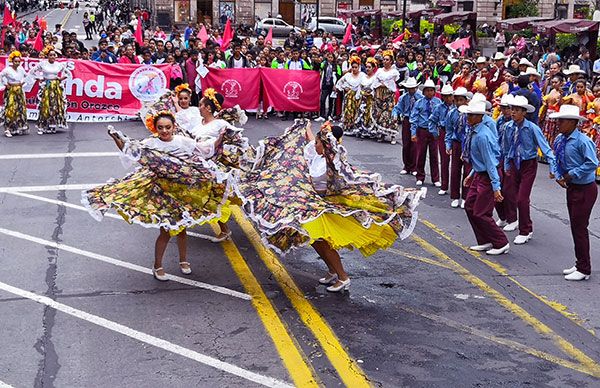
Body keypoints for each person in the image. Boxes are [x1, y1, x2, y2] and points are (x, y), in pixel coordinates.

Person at [234, 120, 424, 292]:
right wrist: (306, 126)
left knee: (322, 242)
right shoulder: (316, 154)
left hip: (323, 207)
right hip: (310, 204)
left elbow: (344, 182)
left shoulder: (333, 164)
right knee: (316, 241)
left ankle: (343, 277)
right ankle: (333, 272)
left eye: (317, 142)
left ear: (325, 145)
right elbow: (309, 140)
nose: (313, 145)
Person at [83, 111, 231, 280]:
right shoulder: (150, 143)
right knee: (166, 230)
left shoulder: (184, 141)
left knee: (183, 228)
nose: (165, 131)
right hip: (162, 193)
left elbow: (206, 150)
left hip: (182, 191)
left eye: (168, 127)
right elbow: (132, 151)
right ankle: (157, 265)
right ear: (156, 128)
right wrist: (116, 138)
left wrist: (220, 138)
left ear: (174, 127)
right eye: (160, 128)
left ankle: (183, 261)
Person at [550, 105, 599, 281]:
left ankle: (584, 268)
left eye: (561, 121)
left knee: (579, 227)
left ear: (572, 122)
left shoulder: (582, 141)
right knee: (575, 226)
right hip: (573, 187)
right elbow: (555, 157)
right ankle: (580, 263)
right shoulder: (560, 139)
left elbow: (592, 163)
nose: (558, 124)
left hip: (585, 188)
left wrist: (572, 174)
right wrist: (558, 174)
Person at [503, 95, 557, 243]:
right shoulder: (508, 127)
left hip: (528, 164)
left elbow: (545, 148)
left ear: (524, 112)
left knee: (522, 198)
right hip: (514, 163)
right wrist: (507, 165)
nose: (513, 112)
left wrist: (553, 167)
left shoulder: (532, 128)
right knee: (509, 193)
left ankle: (526, 230)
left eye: (517, 110)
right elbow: (507, 149)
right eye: (512, 109)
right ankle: (512, 220)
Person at [461, 100, 510, 256]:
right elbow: (480, 160)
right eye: (468, 114)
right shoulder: (474, 130)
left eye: (471, 115)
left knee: (481, 212)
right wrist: (471, 175)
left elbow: (490, 163)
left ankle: (501, 242)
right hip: (480, 174)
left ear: (479, 117)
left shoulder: (483, 136)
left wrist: (496, 188)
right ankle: (484, 240)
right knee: (469, 205)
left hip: (488, 176)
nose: (468, 117)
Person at [29, 46, 70, 135]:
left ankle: (52, 124)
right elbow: (32, 71)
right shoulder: (42, 64)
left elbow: (68, 73)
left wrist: (60, 78)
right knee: (45, 106)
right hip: (46, 87)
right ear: (47, 56)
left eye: (54, 55)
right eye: (50, 55)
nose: (52, 57)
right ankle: (43, 125)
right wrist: (39, 78)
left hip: (55, 87)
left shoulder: (59, 65)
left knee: (55, 105)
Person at [410, 79, 441, 186]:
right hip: (422, 130)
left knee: (434, 155)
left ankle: (435, 178)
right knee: (421, 154)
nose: (429, 93)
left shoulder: (438, 102)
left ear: (434, 91)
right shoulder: (419, 103)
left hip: (433, 131)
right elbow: (413, 118)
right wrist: (413, 133)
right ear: (423, 92)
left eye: (431, 90)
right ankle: (420, 176)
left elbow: (441, 116)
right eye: (427, 91)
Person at [445, 87, 472, 208]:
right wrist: (448, 145)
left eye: (462, 100)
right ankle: (455, 196)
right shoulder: (451, 113)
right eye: (457, 100)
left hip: (467, 144)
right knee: (455, 170)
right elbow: (449, 130)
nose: (460, 103)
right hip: (456, 143)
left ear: (466, 100)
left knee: (467, 171)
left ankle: (466, 197)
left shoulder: (470, 113)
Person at [393, 77, 422, 174]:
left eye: (413, 88)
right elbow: (397, 108)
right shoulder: (403, 97)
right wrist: (395, 114)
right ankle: (406, 166)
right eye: (409, 88)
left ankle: (414, 167)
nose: (411, 90)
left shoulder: (420, 97)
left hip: (417, 121)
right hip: (406, 120)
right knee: (406, 144)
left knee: (415, 145)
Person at [429, 84, 454, 195]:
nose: (448, 98)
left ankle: (455, 189)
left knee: (456, 163)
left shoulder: (456, 107)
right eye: (445, 96)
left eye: (449, 96)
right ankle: (444, 185)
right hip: (443, 132)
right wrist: (435, 133)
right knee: (444, 160)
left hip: (455, 133)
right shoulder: (439, 107)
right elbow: (432, 120)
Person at [371, 50, 400, 143]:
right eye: (384, 59)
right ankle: (381, 134)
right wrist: (380, 84)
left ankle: (392, 135)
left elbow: (391, 82)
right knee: (379, 114)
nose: (385, 61)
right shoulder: (379, 71)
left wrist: (385, 84)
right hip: (379, 95)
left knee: (389, 114)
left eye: (387, 59)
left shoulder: (394, 72)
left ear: (391, 61)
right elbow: (375, 82)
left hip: (389, 95)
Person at [0, 51, 29, 137]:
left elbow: (26, 76)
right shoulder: (7, 70)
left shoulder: (21, 69)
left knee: (19, 109)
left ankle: (16, 127)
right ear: (12, 61)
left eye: (18, 61)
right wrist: (5, 84)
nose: (17, 63)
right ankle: (7, 129)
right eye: (15, 61)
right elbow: (1, 76)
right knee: (10, 109)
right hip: (11, 91)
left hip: (19, 91)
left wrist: (23, 83)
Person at [335, 56, 365, 136]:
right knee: (348, 112)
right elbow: (339, 83)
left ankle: (356, 128)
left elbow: (366, 84)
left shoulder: (362, 75)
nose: (354, 69)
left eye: (356, 67)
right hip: (349, 98)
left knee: (357, 112)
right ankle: (348, 127)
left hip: (358, 98)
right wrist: (345, 88)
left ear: (359, 67)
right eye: (353, 67)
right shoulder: (347, 75)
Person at [355, 57, 378, 138]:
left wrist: (370, 93)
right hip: (363, 98)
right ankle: (361, 129)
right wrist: (358, 95)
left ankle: (370, 131)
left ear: (373, 68)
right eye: (366, 67)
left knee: (370, 114)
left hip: (370, 99)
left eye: (369, 67)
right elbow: (359, 87)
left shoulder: (375, 77)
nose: (367, 69)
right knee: (361, 113)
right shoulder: (363, 77)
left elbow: (375, 88)